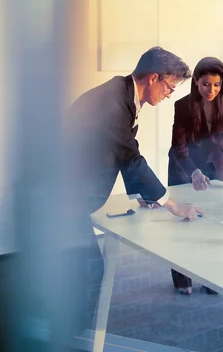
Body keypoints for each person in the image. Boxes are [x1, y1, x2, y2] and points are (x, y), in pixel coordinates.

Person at [65, 46, 203, 331]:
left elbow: (125, 149)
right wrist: (172, 204)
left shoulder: (122, 95)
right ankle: (73, 335)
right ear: (153, 78)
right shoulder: (112, 103)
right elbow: (130, 157)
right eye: (169, 87)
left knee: (81, 268)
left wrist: (142, 194)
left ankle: (72, 331)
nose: (169, 95)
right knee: (89, 269)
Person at [168, 56, 223, 294]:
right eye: (205, 84)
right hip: (184, 166)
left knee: (214, 220)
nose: (211, 90)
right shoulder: (182, 106)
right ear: (196, 83)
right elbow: (178, 147)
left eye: (217, 84)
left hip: (215, 163)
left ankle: (212, 277)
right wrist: (194, 172)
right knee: (183, 223)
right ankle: (182, 278)